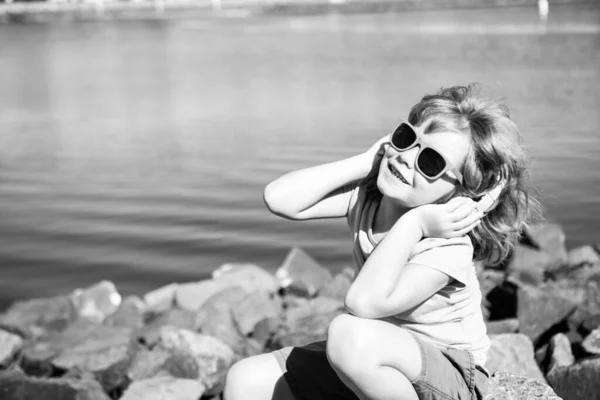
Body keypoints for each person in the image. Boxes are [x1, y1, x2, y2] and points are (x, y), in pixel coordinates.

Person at [223, 84, 538, 400]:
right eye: (405, 138)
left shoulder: (447, 246)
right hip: (375, 365)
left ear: (464, 193)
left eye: (430, 162)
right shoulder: (369, 199)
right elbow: (279, 199)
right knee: (246, 378)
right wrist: (366, 161)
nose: (406, 158)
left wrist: (415, 223)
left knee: (347, 335)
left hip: (449, 378)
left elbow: (364, 304)